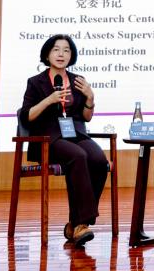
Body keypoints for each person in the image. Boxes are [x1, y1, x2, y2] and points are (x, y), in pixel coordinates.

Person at [19, 34, 108, 246]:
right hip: (47, 139)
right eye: (56, 49)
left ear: (71, 55)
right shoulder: (36, 82)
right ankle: (81, 224)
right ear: (47, 55)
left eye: (66, 50)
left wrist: (90, 98)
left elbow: (86, 117)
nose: (61, 54)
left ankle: (76, 223)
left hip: (75, 133)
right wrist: (49, 100)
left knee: (99, 160)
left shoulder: (78, 80)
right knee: (78, 156)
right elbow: (26, 116)